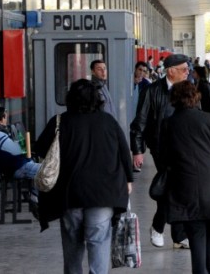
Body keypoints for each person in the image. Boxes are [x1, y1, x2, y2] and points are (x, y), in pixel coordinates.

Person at [34, 79, 133, 274]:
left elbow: (40, 148)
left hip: (70, 193)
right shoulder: (108, 121)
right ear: (97, 99)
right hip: (102, 194)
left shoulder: (60, 122)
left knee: (72, 243)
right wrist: (128, 180)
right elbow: (124, 152)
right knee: (98, 241)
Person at [163, 81, 210, 274]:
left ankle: (200, 271)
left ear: (174, 99)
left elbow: (163, 155)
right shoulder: (209, 119)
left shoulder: (169, 124)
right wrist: (209, 161)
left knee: (196, 231)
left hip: (184, 183)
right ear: (195, 96)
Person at [129, 53, 191, 249]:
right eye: (184, 69)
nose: (187, 72)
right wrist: (138, 150)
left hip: (184, 147)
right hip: (161, 147)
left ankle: (172, 233)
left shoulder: (189, 89)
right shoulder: (152, 91)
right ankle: (163, 229)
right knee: (173, 186)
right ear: (171, 71)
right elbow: (139, 123)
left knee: (176, 188)